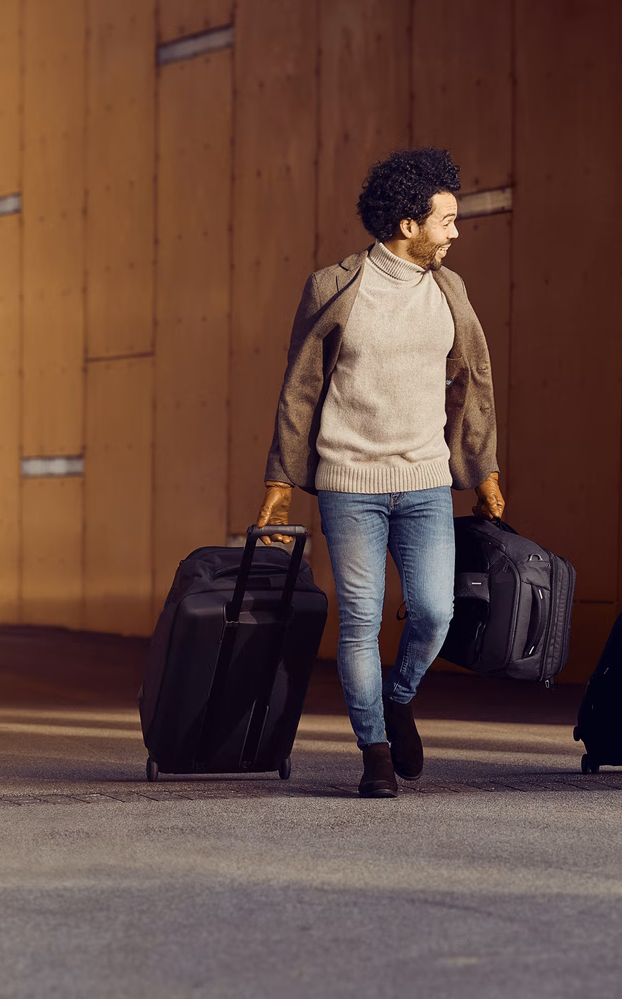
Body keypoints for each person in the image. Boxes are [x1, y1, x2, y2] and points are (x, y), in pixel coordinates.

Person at [255, 147, 505, 799]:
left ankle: (399, 699)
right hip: (349, 484)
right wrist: (280, 489)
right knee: (361, 620)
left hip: (424, 481)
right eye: (446, 221)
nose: (455, 233)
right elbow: (299, 391)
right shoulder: (333, 287)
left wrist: (483, 473)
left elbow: (473, 384)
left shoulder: (451, 291)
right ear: (407, 227)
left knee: (434, 612)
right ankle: (375, 752)